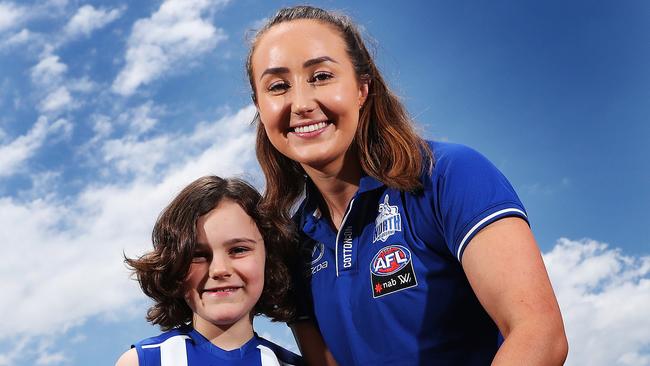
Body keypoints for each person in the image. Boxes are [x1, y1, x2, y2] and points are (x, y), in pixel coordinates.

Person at [246, 5, 568, 366]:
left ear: (362, 89)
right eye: (278, 86)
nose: (301, 103)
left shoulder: (448, 174)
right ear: (260, 106)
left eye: (321, 76)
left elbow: (539, 332)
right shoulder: (291, 244)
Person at [115, 176, 303, 366]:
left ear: (269, 259)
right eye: (198, 255)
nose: (219, 270)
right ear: (174, 265)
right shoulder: (144, 361)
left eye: (238, 250)